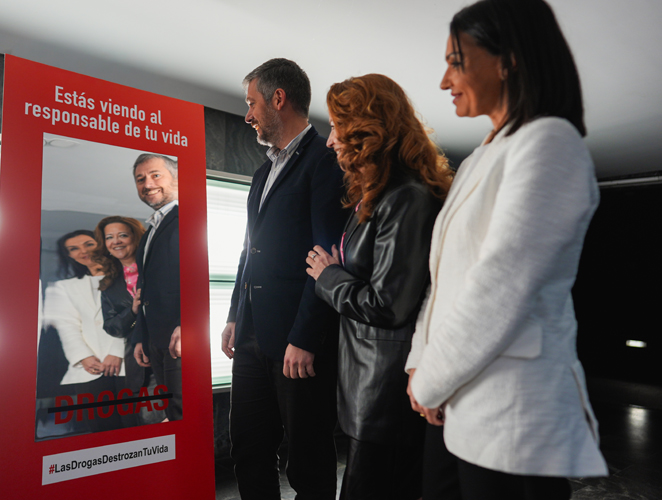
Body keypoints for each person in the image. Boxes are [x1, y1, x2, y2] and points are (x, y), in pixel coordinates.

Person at [405, 1, 609, 498]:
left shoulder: (550, 142)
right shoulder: (480, 158)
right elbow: (444, 281)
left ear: (508, 60)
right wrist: (419, 362)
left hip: (513, 418)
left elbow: (499, 288)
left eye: (456, 62)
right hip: (456, 402)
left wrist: (429, 380)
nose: (444, 81)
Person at [305, 74, 452, 500]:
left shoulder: (406, 197)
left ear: (366, 129)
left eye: (337, 126)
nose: (330, 140)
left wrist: (328, 277)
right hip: (369, 392)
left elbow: (388, 305)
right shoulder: (381, 194)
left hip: (385, 397)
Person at [220, 58, 347, 500]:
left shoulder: (325, 161)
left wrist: (306, 337)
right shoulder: (261, 173)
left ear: (279, 99)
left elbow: (327, 259)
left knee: (308, 461)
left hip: (298, 341)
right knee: (248, 450)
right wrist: (235, 315)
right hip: (251, 337)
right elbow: (248, 250)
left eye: (252, 103)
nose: (248, 114)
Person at [43, 229, 125, 432]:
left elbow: (135, 317)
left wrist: (117, 351)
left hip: (127, 363)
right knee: (99, 429)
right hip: (90, 369)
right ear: (69, 255)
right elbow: (67, 326)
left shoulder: (128, 277)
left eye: (88, 244)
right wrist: (83, 357)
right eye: (74, 249)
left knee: (133, 424)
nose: (83, 251)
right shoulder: (65, 287)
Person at [130, 154, 182, 421]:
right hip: (156, 340)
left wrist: (187, 323)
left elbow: (199, 275)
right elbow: (145, 289)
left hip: (181, 338)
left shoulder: (190, 216)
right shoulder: (150, 230)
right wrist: (142, 336)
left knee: (183, 412)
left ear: (177, 177)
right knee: (171, 411)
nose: (147, 184)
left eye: (155, 175)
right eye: (140, 179)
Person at [92, 215, 160, 422]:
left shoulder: (158, 269)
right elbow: (112, 327)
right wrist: (132, 311)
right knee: (148, 420)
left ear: (135, 237)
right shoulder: (109, 285)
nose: (116, 241)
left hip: (170, 353)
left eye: (122, 235)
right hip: (139, 363)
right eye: (109, 237)